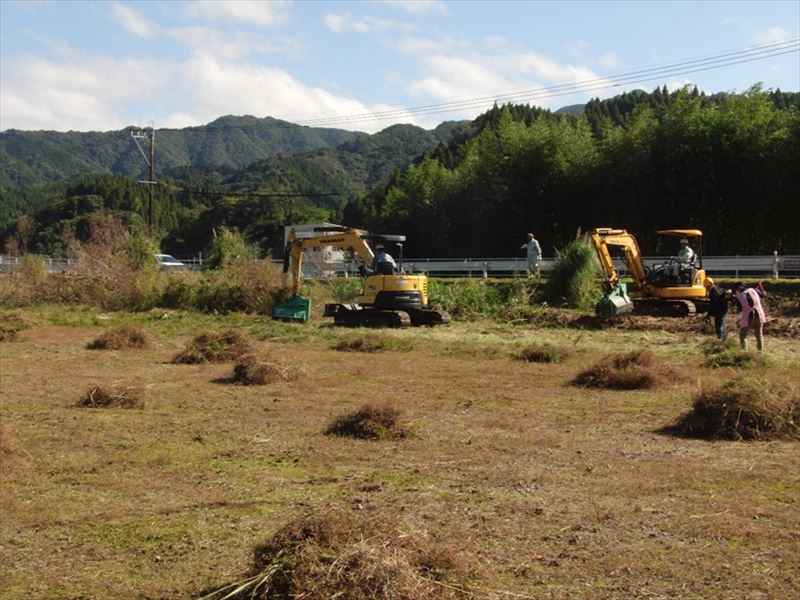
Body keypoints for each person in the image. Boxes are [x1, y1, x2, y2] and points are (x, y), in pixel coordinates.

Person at [735, 282, 767, 352]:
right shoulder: (753, 290)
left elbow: (740, 310)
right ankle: (760, 351)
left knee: (743, 336)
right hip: (759, 315)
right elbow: (763, 295)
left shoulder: (739, 296)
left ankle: (744, 351)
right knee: (759, 335)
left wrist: (737, 321)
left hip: (748, 316)